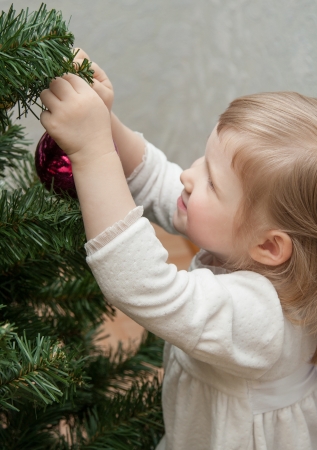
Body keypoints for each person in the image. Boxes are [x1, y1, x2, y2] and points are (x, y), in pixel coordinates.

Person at [39, 49, 317, 450]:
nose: (189, 175)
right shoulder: (246, 244)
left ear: (269, 246)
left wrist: (91, 151)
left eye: (213, 184)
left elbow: (143, 285)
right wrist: (107, 124)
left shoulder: (262, 320)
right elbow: (157, 180)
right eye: (204, 159)